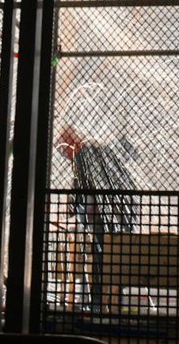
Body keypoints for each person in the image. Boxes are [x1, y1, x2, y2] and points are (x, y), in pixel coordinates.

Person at [56, 123, 138, 311]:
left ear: (71, 141)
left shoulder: (84, 154)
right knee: (114, 259)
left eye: (64, 147)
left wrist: (72, 211)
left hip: (110, 216)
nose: (64, 153)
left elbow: (83, 189)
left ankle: (99, 304)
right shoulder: (95, 149)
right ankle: (111, 303)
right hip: (122, 212)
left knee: (102, 259)